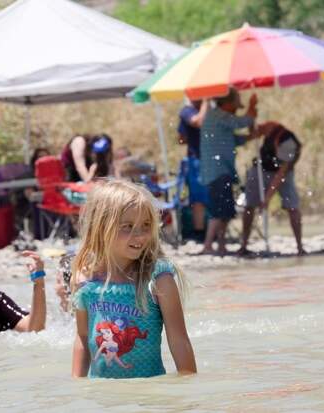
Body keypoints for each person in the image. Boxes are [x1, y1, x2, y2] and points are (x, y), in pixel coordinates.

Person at [71, 180, 196, 379]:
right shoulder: (86, 281)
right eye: (127, 227)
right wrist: (77, 387)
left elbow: (179, 340)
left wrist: (189, 386)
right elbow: (83, 337)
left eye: (145, 226)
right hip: (101, 399)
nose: (139, 236)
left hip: (149, 394)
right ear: (101, 227)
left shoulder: (157, 279)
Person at [199, 88, 259, 255]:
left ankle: (221, 245)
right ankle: (208, 245)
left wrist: (251, 136)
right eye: (237, 100)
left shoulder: (218, 117)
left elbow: (232, 140)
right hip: (217, 171)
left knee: (224, 211)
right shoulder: (219, 116)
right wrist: (252, 107)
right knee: (219, 211)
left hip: (221, 170)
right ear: (227, 103)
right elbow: (242, 122)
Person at [238, 122, 306, 256]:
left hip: (283, 174)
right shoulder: (273, 128)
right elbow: (255, 131)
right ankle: (244, 245)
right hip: (260, 170)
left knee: (293, 207)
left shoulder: (289, 146)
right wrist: (251, 119)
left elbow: (281, 174)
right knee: (249, 206)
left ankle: (299, 246)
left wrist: (267, 198)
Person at [177, 99, 209, 240]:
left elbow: (181, 139)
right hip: (196, 159)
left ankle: (210, 231)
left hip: (205, 158)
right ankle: (200, 232)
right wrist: (206, 103)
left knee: (210, 196)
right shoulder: (187, 111)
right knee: (199, 198)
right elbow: (198, 122)